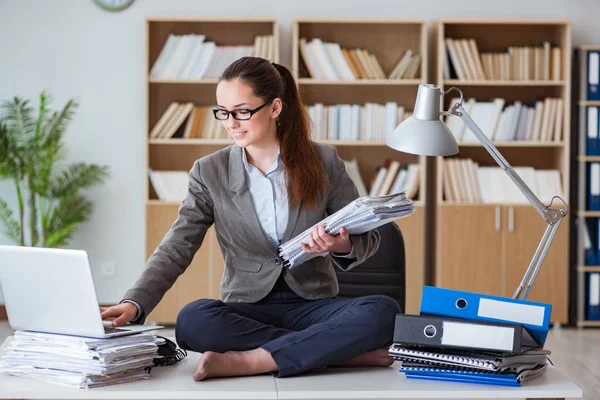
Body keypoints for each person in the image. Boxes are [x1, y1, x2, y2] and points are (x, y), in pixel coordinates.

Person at [100, 56, 401, 381]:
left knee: (384, 312)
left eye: (242, 111)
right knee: (192, 320)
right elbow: (178, 245)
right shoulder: (209, 171)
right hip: (246, 308)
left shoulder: (323, 160)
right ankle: (334, 355)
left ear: (274, 108)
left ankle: (253, 360)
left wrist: (341, 245)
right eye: (223, 112)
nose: (231, 122)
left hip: (312, 306)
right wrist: (134, 302)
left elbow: (368, 238)